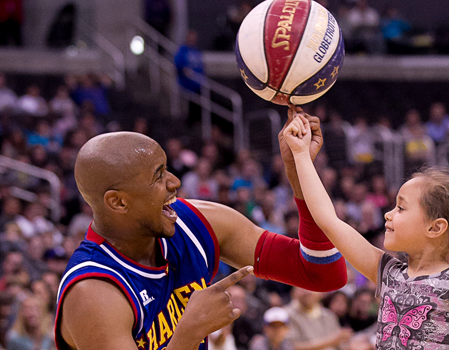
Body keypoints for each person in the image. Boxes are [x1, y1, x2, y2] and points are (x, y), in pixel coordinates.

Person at [54, 107, 347, 350]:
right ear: (118, 202)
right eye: (158, 178)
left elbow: (322, 274)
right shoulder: (93, 291)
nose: (174, 182)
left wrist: (300, 173)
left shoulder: (195, 222)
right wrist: (189, 333)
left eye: (167, 168)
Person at [283, 114, 449, 349]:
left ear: (435, 227)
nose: (388, 214)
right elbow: (328, 220)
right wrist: (302, 154)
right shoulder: (389, 273)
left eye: (401, 207)